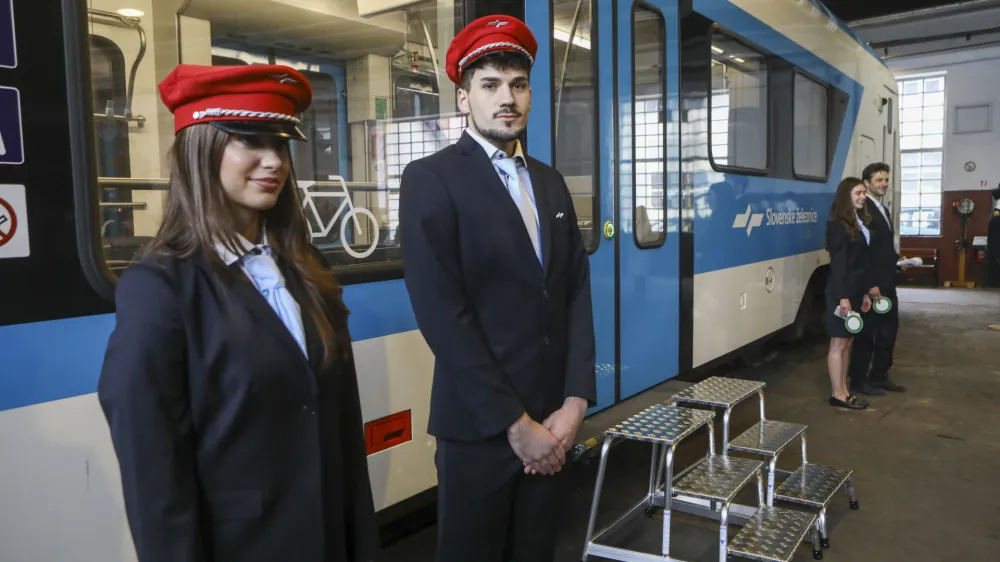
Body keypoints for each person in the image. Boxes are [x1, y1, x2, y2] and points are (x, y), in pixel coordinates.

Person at [97, 64, 378, 562]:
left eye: (282, 145)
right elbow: (154, 476)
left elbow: (342, 436)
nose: (274, 161)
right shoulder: (159, 289)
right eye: (249, 140)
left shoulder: (307, 270)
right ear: (200, 147)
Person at [398, 14, 596, 562]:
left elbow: (575, 291)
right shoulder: (431, 180)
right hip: (479, 429)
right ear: (464, 98)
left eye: (518, 84)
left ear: (529, 95)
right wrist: (516, 425)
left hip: (553, 424)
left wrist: (575, 401)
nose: (506, 98)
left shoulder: (550, 182)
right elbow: (444, 316)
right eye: (489, 85)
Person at [848, 162, 907, 395]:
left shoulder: (882, 209)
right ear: (867, 183)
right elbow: (863, 251)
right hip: (873, 286)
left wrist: (898, 260)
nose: (884, 184)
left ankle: (880, 375)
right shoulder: (863, 211)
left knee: (888, 331)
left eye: (886, 180)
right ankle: (859, 380)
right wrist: (870, 283)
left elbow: (882, 248)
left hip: (888, 282)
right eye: (879, 180)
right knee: (867, 333)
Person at [825, 177, 877, 410]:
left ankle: (844, 391)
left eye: (864, 193)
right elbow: (838, 264)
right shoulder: (836, 225)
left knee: (847, 342)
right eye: (858, 193)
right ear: (846, 196)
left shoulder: (858, 222)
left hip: (855, 290)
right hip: (842, 291)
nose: (863, 197)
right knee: (838, 343)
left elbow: (861, 261)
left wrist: (865, 292)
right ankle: (837, 394)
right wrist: (843, 297)